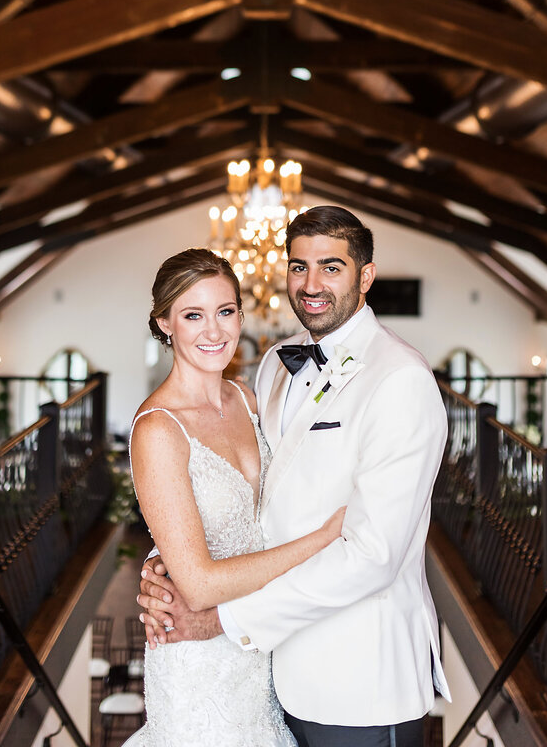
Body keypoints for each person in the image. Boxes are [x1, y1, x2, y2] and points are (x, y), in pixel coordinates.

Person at [138, 206, 450, 747]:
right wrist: (166, 560)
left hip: (359, 684)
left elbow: (373, 557)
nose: (312, 284)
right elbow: (255, 503)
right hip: (274, 676)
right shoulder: (277, 366)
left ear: (365, 276)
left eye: (331, 267)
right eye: (298, 267)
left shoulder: (402, 380)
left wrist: (225, 619)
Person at [127, 247, 346, 746]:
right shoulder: (158, 429)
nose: (214, 331)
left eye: (225, 311)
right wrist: (324, 538)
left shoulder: (248, 399)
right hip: (197, 661)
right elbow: (199, 587)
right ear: (164, 323)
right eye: (192, 315)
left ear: (242, 315)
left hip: (260, 647)